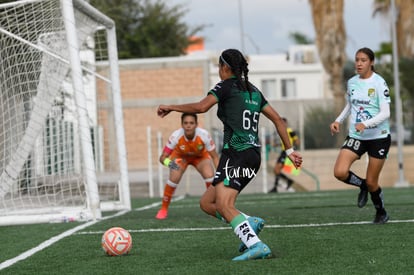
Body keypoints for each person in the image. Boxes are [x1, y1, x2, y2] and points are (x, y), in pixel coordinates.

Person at [157, 48, 302, 261]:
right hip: (252, 155)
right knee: (207, 203)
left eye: (218, 66)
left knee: (225, 205)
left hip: (236, 154)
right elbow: (278, 120)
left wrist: (171, 106)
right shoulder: (254, 91)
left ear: (225, 67)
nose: (218, 70)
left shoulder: (225, 87)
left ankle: (256, 245)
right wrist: (289, 151)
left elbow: (200, 107)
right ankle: (248, 222)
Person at [330, 47, 391, 224]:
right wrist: (338, 121)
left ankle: (381, 212)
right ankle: (363, 186)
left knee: (374, 183)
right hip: (357, 136)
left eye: (363, 60)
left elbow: (385, 113)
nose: (359, 63)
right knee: (340, 172)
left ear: (371, 62)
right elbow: (350, 105)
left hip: (378, 138)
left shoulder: (379, 83)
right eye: (357, 59)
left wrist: (366, 123)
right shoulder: (352, 82)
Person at [156, 113, 219, 220]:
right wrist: (170, 163)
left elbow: (215, 157)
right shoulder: (176, 136)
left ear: (196, 124)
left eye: (191, 123)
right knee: (174, 177)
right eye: (185, 123)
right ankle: (163, 209)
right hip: (181, 158)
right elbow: (162, 157)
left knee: (210, 174)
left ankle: (212, 207)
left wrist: (220, 174)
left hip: (200, 157)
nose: (188, 126)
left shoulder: (204, 135)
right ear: (182, 125)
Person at [269, 117, 300, 193]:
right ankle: (287, 181)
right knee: (276, 170)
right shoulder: (281, 131)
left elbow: (297, 141)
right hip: (283, 152)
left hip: (288, 152)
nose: (281, 124)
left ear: (286, 123)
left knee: (277, 169)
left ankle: (275, 187)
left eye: (283, 123)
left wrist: (293, 149)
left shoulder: (289, 131)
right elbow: (283, 142)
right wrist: (276, 144)